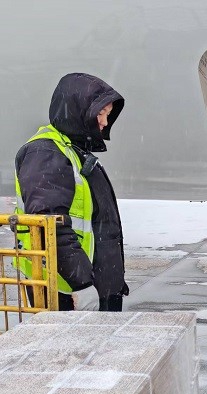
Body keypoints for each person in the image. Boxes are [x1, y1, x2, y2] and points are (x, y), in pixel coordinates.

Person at [14, 72, 129, 311]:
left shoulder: (72, 151)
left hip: (90, 287)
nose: (104, 122)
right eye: (100, 113)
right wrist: (82, 284)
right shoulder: (46, 153)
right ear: (79, 111)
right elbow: (50, 226)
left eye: (107, 115)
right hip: (66, 292)